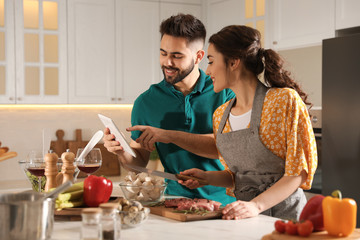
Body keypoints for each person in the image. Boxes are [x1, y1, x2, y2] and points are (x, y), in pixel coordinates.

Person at [179, 25, 318, 220]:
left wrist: (256, 205)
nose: (208, 70)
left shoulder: (283, 101)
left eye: (210, 61)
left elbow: (298, 173)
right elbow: (237, 177)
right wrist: (206, 177)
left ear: (234, 62)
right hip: (245, 217)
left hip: (286, 218)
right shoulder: (220, 115)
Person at [103, 14, 235, 205]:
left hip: (226, 202)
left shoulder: (224, 92)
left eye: (177, 56)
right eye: (163, 53)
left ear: (199, 56)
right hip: (174, 201)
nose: (167, 62)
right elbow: (139, 163)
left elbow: (227, 147)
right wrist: (121, 151)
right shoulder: (146, 102)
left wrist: (168, 135)